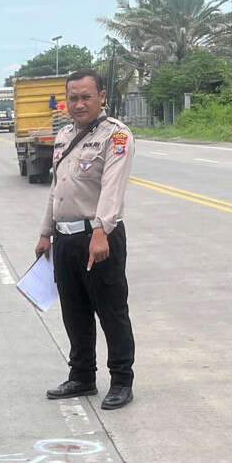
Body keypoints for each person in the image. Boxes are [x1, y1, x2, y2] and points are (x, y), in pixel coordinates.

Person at [34, 69, 136, 410]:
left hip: (99, 238)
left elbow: (112, 187)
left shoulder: (116, 136)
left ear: (102, 97)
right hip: (65, 240)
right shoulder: (63, 136)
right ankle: (82, 376)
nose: (78, 104)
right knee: (74, 311)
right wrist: (45, 233)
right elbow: (56, 189)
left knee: (111, 310)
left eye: (85, 97)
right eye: (73, 98)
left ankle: (121, 380)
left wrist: (100, 231)